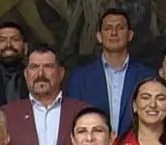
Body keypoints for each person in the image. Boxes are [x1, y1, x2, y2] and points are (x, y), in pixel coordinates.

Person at [1, 44, 88, 145]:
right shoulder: (6, 115)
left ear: (61, 73)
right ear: (26, 74)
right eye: (34, 67)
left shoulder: (82, 112)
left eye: (48, 67)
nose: (40, 74)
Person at [65, 8, 154, 136]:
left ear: (130, 35)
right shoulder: (80, 78)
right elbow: (73, 120)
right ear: (99, 37)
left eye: (120, 28)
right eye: (108, 28)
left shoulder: (147, 76)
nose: (114, 33)